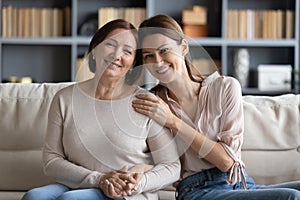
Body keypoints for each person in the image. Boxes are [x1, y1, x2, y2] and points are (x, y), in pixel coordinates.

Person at [132, 14, 300, 200]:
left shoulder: (224, 87)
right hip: (196, 190)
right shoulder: (152, 102)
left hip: (240, 183)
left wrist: (173, 122)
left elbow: (227, 161)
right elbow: (146, 157)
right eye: (149, 55)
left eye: (164, 50)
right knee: (291, 197)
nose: (157, 61)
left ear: (183, 47)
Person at [21, 19, 180, 200]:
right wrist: (100, 179)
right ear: (95, 50)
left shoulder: (146, 101)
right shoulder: (64, 98)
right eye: (110, 44)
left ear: (132, 64)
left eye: (127, 51)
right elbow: (51, 161)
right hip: (78, 184)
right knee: (34, 197)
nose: (116, 55)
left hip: (127, 193)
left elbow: (171, 166)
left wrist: (137, 183)